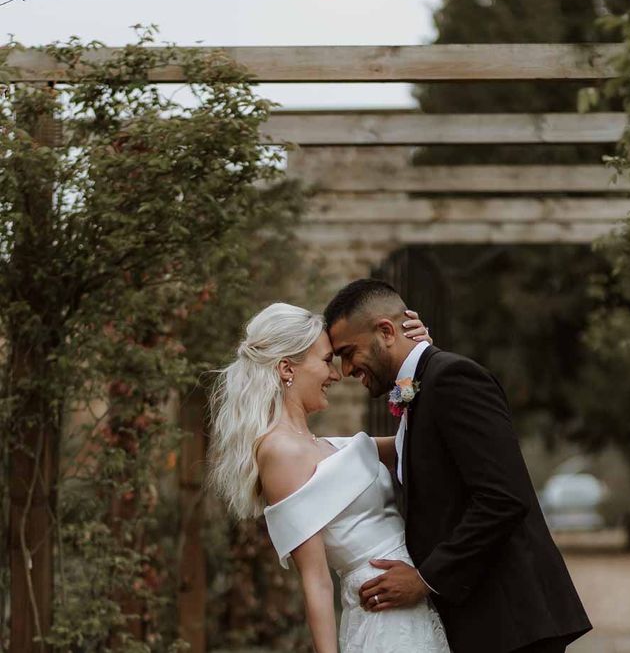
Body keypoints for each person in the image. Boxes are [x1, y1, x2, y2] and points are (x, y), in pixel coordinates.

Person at [323, 279, 593, 653]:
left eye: (349, 352)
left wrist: (425, 579)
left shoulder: (452, 379)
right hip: (483, 621)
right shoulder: (420, 386)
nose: (347, 368)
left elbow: (503, 498)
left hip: (511, 623)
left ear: (386, 331)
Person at [208, 302, 450, 653]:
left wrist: (419, 362)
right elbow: (316, 579)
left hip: (412, 600)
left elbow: (411, 442)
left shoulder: (328, 447)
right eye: (325, 362)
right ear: (286, 369)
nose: (336, 375)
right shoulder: (280, 453)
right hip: (383, 616)